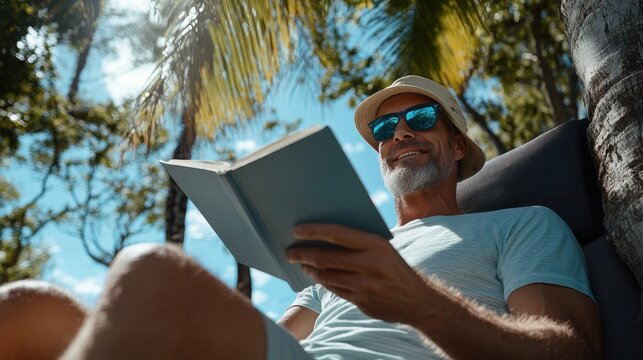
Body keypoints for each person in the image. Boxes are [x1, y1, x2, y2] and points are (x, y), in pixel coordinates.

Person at [1, 75, 601, 360]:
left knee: (153, 271)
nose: (401, 136)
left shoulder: (522, 224)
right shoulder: (347, 249)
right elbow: (282, 339)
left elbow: (568, 353)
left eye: (419, 120)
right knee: (29, 308)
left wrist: (416, 301)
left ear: (459, 145)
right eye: (386, 131)